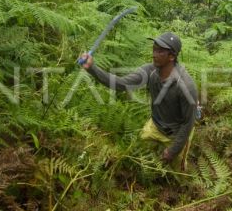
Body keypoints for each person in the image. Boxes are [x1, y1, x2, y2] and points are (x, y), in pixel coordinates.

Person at [78, 32, 198, 168]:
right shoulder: (149, 71)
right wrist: (92, 68)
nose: (154, 54)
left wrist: (173, 151)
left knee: (176, 173)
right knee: (138, 157)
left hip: (176, 134)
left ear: (171, 56)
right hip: (155, 125)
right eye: (154, 49)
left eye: (160, 51)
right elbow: (121, 84)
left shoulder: (186, 86)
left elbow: (188, 123)